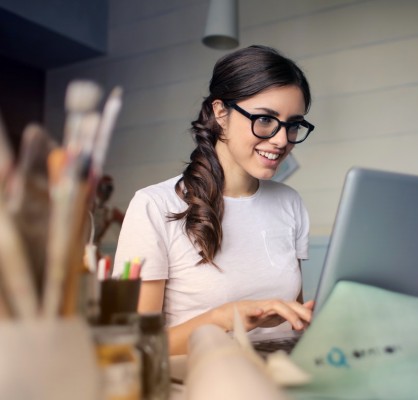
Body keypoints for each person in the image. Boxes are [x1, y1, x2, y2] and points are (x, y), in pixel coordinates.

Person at [113, 45, 316, 355]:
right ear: (221, 113)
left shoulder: (290, 202)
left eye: (293, 125)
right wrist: (224, 318)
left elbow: (294, 317)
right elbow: (136, 346)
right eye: (265, 120)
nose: (281, 140)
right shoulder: (153, 206)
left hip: (280, 376)